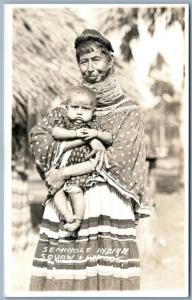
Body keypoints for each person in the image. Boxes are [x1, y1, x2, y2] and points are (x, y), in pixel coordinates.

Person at [29, 29, 150, 291]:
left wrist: (63, 172)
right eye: (83, 61)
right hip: (68, 208)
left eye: (96, 59)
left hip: (108, 204)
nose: (89, 67)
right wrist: (85, 138)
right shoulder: (68, 106)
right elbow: (39, 137)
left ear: (110, 61)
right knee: (66, 282)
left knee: (106, 282)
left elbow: (119, 158)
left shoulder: (129, 111)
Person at [32, 85, 112, 231]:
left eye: (85, 109)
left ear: (94, 111)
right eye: (75, 107)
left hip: (79, 169)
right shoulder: (65, 121)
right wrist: (76, 133)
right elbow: (55, 132)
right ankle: (66, 215)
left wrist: (96, 134)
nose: (79, 112)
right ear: (67, 107)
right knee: (56, 190)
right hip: (60, 165)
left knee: (75, 190)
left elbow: (109, 137)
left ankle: (77, 219)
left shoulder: (93, 124)